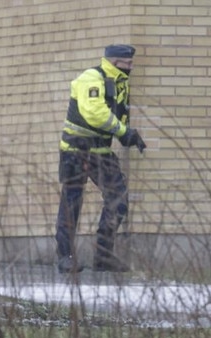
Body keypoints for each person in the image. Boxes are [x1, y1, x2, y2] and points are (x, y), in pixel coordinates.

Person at [55, 44, 147, 274]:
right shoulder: (91, 78)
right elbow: (94, 113)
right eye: (128, 63)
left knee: (118, 199)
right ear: (115, 62)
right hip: (76, 150)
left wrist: (129, 135)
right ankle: (65, 257)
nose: (131, 67)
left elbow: (117, 114)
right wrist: (123, 132)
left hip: (101, 151)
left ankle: (103, 256)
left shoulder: (119, 83)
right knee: (71, 203)